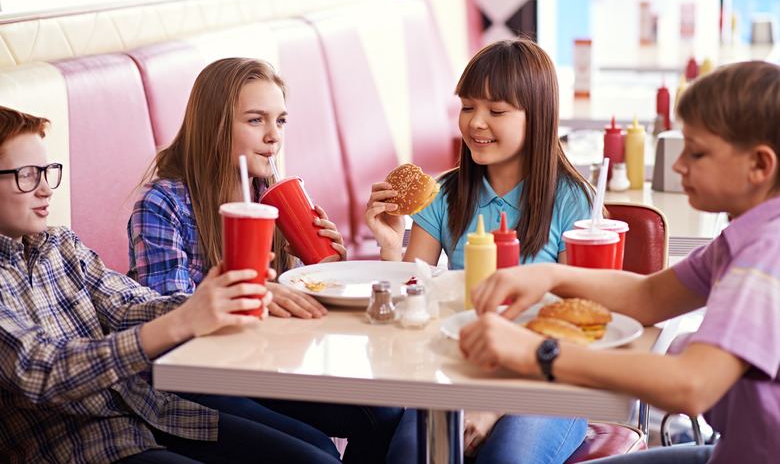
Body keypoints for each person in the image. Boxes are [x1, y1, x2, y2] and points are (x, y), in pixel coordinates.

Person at [460, 60, 780, 464]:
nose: (679, 165)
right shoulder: (746, 234)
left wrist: (541, 353)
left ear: (760, 165)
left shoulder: (767, 252)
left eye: (696, 153)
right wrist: (549, 275)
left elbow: (692, 386)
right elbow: (647, 296)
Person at [0, 105, 343, 464]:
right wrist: (185, 318)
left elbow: (126, 306)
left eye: (47, 171)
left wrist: (216, 299)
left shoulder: (60, 244)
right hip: (75, 447)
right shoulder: (163, 202)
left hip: (148, 413)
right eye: (26, 174)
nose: (44, 189)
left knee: (316, 453)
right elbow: (42, 371)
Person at [127, 57, 403, 464]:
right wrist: (255, 294)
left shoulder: (265, 195)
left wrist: (325, 271)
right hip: (193, 383)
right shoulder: (162, 205)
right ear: (216, 126)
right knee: (319, 451)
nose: (274, 136)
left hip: (262, 361)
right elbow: (172, 326)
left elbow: (287, 298)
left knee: (385, 414)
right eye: (256, 120)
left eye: (281, 121)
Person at [365, 38, 593, 463]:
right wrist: (390, 248)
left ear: (538, 117)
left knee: (507, 458)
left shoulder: (574, 201)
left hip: (547, 381)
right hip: (457, 369)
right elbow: (409, 311)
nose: (476, 123)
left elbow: (573, 329)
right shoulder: (444, 195)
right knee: (411, 454)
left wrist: (493, 407)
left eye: (497, 111)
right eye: (468, 107)